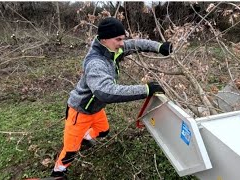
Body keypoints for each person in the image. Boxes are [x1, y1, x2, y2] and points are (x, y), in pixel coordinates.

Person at [51, 17, 172, 179]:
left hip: (96, 108)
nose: (123, 43)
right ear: (104, 40)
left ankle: (86, 137)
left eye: (123, 38)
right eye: (119, 39)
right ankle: (58, 171)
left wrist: (159, 47)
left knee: (103, 131)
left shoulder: (111, 49)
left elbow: (135, 44)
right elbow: (106, 92)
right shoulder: (96, 62)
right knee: (70, 150)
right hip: (80, 112)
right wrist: (145, 89)